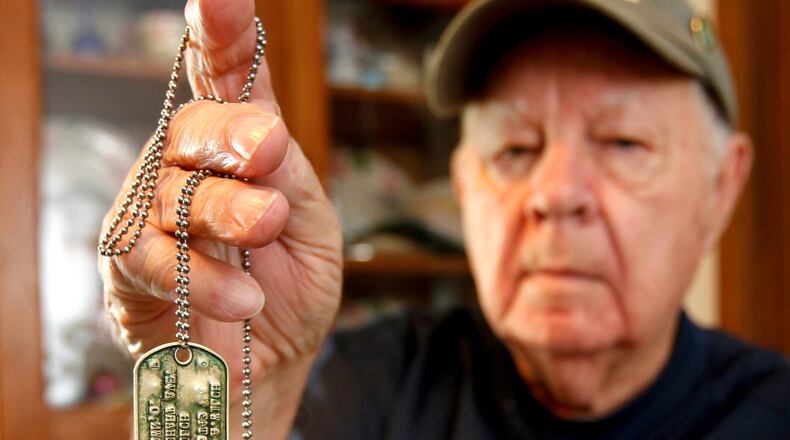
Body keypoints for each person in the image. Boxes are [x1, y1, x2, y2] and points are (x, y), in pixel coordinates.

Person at [100, 0, 790, 438]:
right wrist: (233, 395)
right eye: (516, 149)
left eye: (623, 145)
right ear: (464, 187)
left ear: (721, 187)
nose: (554, 194)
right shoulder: (375, 381)